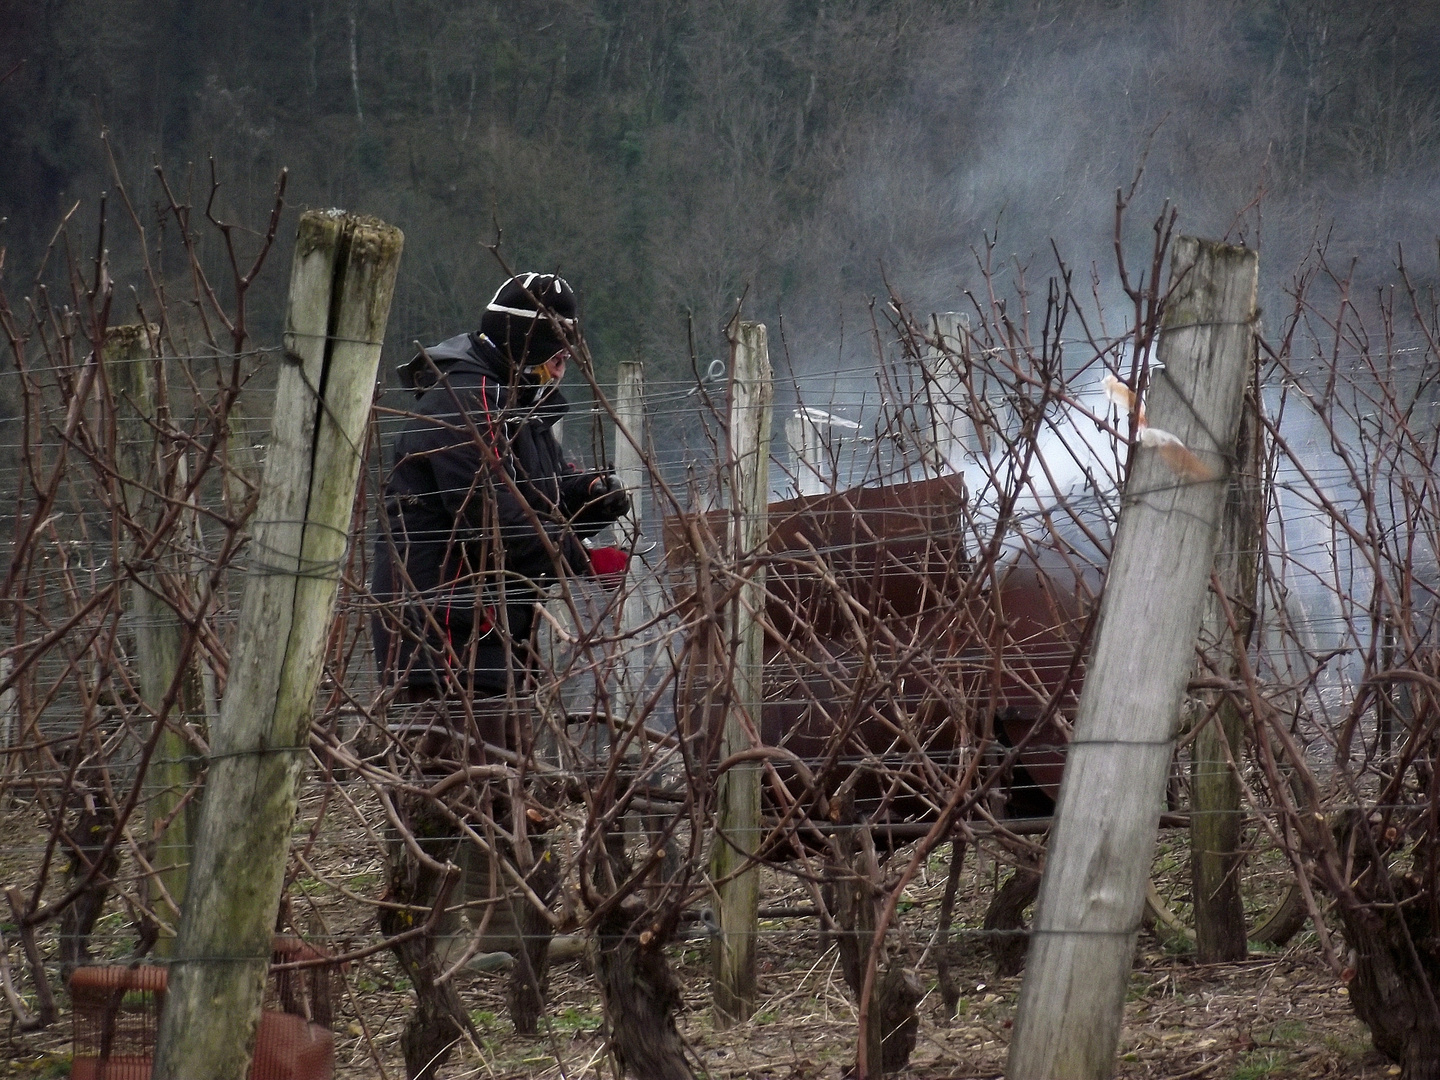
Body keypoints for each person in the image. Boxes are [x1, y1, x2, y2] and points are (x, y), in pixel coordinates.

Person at [369, 272, 630, 1079]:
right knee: (471, 777)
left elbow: (541, 485)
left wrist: (590, 492)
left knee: (496, 773)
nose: (559, 370)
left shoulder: (510, 397)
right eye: (553, 354)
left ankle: (496, 940)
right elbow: (497, 510)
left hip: (487, 623)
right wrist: (583, 553)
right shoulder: (464, 398)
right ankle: (450, 945)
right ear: (523, 342)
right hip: (443, 624)